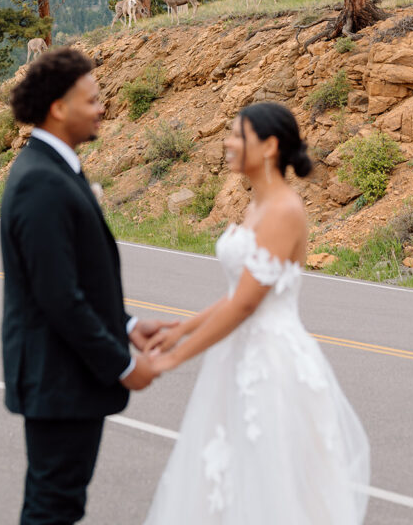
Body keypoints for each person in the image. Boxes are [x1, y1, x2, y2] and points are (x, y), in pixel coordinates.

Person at [143, 101, 370, 524]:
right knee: (230, 476)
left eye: (236, 135)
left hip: (271, 361)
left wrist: (174, 357)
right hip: (239, 355)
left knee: (269, 482)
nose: (227, 143)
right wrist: (180, 329)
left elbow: (248, 304)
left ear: (268, 146)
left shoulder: (284, 211)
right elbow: (239, 291)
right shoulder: (255, 208)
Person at [0, 47, 175, 525]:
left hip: (65, 376)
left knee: (60, 502)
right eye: (93, 100)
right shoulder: (40, 181)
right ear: (58, 107)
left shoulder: (55, 167)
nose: (103, 107)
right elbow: (58, 296)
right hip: (58, 376)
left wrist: (128, 324)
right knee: (53, 506)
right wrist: (122, 364)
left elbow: (73, 279)